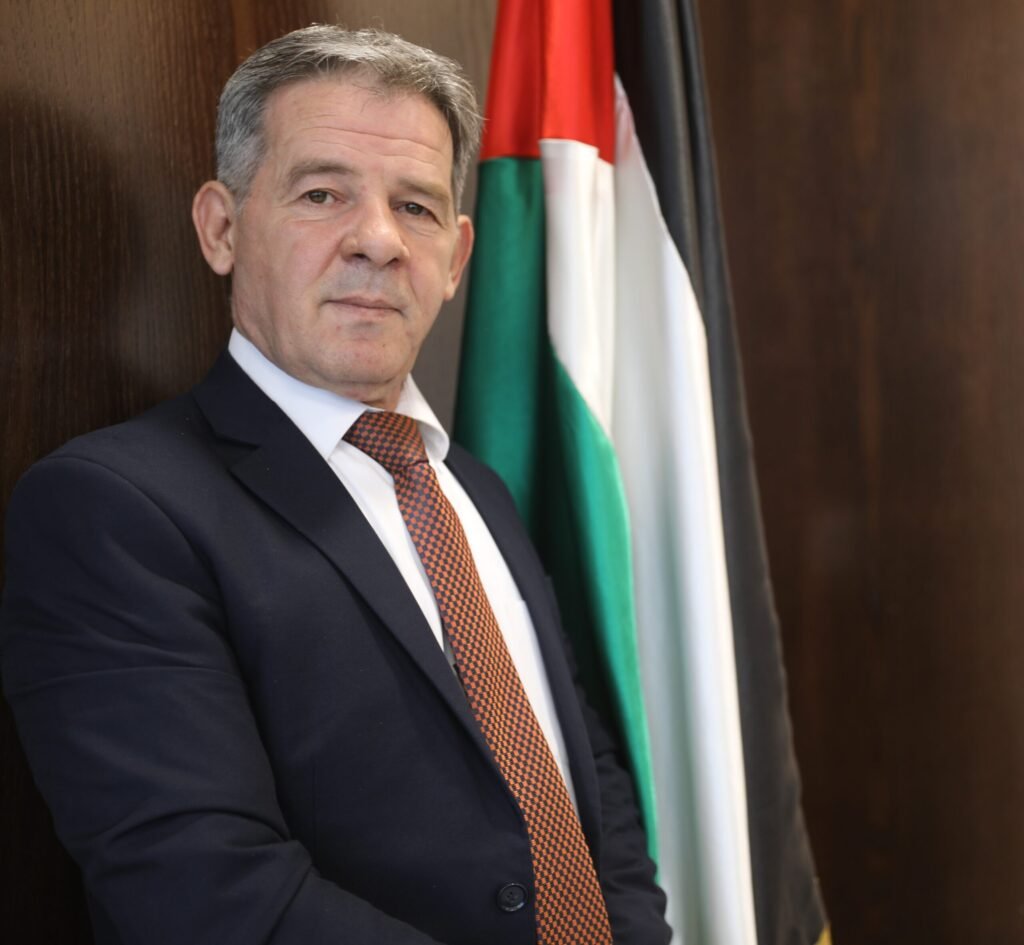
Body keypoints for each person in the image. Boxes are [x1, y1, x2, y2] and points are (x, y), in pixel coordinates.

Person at [1, 25, 670, 945]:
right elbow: (205, 893)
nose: (379, 240)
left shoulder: (475, 488)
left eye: (417, 207)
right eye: (323, 193)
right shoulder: (112, 509)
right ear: (222, 228)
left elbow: (583, 775)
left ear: (457, 258)